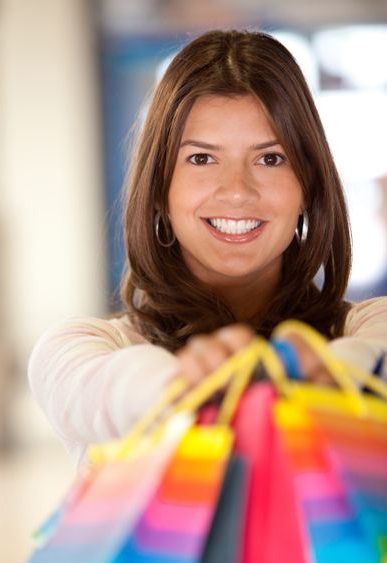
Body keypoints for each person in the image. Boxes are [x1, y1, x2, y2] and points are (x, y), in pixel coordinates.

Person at [28, 29, 387, 467]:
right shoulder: (87, 349)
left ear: (308, 187)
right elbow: (106, 389)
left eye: (270, 159)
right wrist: (180, 386)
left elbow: (373, 362)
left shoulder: (364, 329)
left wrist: (330, 377)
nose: (237, 192)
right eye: (201, 158)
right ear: (159, 188)